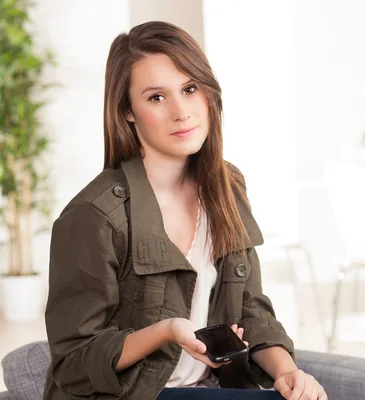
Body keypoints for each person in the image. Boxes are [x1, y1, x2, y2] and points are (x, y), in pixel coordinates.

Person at [43, 20, 327, 400]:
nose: (182, 111)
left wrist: (287, 372)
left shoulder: (227, 186)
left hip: (207, 387)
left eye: (190, 89)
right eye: (157, 98)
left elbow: (251, 309)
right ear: (128, 110)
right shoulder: (95, 216)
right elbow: (73, 362)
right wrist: (165, 331)